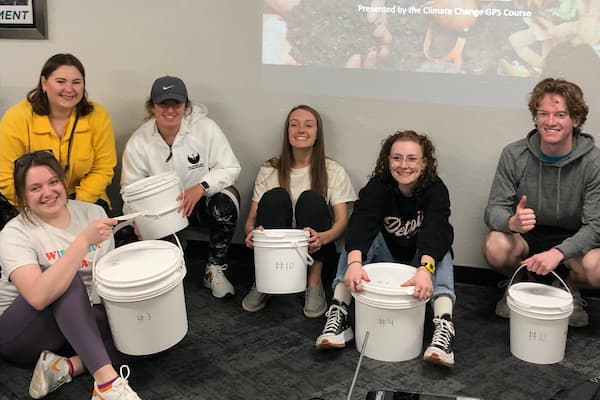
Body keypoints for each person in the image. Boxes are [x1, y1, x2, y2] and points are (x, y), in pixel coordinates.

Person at [0, 151, 141, 399]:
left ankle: (65, 366)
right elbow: (37, 296)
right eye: (35, 188)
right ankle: (106, 385)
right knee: (62, 275)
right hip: (20, 333)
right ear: (23, 195)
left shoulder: (93, 214)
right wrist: (84, 241)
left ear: (64, 182)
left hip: (75, 323)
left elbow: (103, 281)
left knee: (145, 330)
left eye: (53, 182)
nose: (48, 192)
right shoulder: (13, 233)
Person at [315, 130, 456, 368]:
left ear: (424, 162)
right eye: (397, 158)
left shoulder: (435, 189)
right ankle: (339, 312)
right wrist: (355, 263)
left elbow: (436, 227)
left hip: (418, 260)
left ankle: (444, 328)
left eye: (412, 158)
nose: (404, 165)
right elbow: (363, 220)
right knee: (356, 242)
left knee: (442, 249)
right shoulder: (378, 186)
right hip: (385, 255)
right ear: (387, 160)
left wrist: (425, 268)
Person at [484, 77, 600, 328]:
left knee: (598, 267)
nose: (550, 122)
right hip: (527, 237)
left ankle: (569, 287)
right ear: (535, 118)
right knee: (494, 245)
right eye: (542, 113)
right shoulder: (514, 154)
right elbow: (493, 211)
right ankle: (520, 280)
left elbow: (595, 227)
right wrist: (511, 222)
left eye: (560, 114)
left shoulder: (593, 162)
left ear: (576, 120)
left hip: (573, 240)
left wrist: (559, 252)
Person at [121, 76, 241, 299]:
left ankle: (214, 269)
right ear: (152, 106)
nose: (170, 110)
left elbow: (230, 167)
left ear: (186, 106)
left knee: (226, 202)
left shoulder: (205, 128)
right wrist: (136, 219)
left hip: (200, 203)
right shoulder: (139, 142)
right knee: (125, 233)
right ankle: (173, 255)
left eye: (176, 104)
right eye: (163, 104)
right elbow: (129, 190)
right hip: (164, 212)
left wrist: (201, 187)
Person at [242, 104, 357, 318]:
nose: (300, 130)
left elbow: (341, 222)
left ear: (317, 133)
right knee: (275, 196)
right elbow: (251, 219)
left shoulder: (334, 171)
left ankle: (314, 284)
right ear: (287, 132)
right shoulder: (269, 169)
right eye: (294, 125)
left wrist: (323, 237)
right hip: (276, 249)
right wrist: (251, 233)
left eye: (308, 125)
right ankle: (265, 282)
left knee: (311, 198)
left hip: (315, 250)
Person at [0, 53, 117, 228]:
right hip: (31, 203)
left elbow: (103, 168)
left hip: (84, 199)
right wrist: (40, 205)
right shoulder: (16, 118)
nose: (69, 89)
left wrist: (76, 206)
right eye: (60, 81)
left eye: (76, 82)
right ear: (44, 83)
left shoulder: (98, 116)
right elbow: (6, 176)